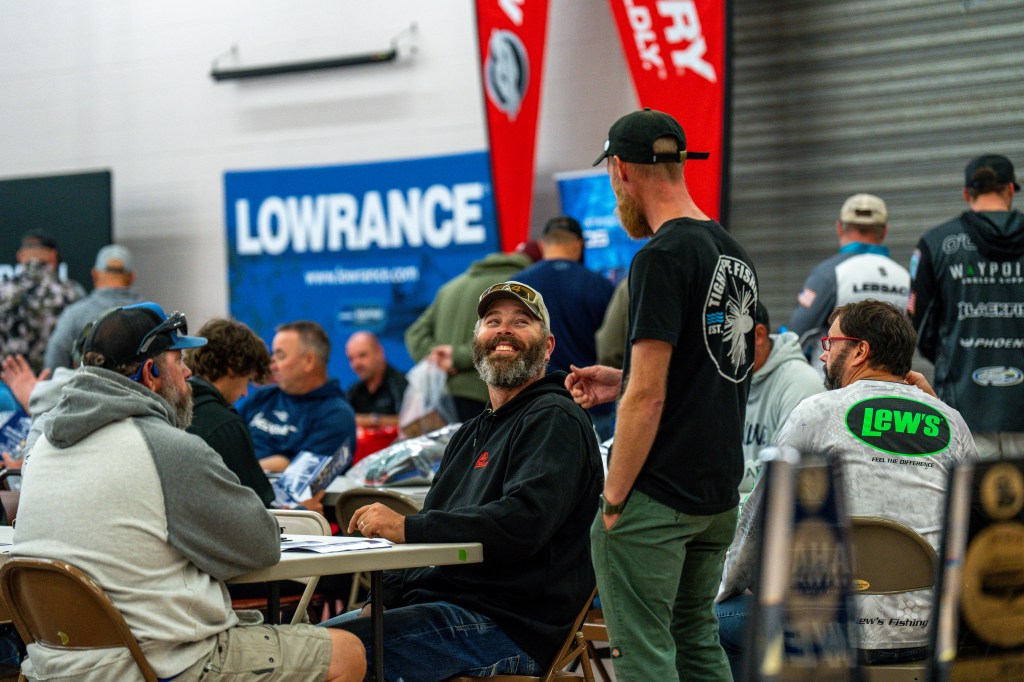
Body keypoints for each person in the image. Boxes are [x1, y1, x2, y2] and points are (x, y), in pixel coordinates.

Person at [12, 301, 365, 682]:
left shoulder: (42, 448)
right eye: (178, 361)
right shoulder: (164, 447)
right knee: (348, 652)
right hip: (155, 665)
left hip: (52, 665)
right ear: (152, 373)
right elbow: (262, 544)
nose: (189, 372)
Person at [323, 281, 602, 681]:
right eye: (493, 321)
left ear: (548, 346)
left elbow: (524, 522)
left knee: (321, 658)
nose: (504, 330)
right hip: (441, 608)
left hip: (507, 625)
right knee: (304, 646)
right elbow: (433, 519)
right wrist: (381, 601)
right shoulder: (469, 433)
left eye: (521, 322)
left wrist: (408, 527)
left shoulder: (555, 418)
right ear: (476, 342)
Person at [566, 108, 758, 681]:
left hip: (659, 496)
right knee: (696, 640)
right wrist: (620, 380)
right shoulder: (732, 251)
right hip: (717, 495)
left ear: (621, 170)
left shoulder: (660, 256)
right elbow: (719, 366)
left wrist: (614, 501)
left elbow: (649, 397)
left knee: (644, 654)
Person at [717, 300, 978, 677]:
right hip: (931, 635)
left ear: (859, 351)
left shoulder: (814, 413)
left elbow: (755, 527)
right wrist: (935, 407)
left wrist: (728, 588)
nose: (824, 356)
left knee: (714, 619)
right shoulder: (952, 422)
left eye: (830, 343)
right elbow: (972, 529)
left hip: (826, 638)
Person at [908, 153, 1024, 459]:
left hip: (964, 408)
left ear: (966, 193)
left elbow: (918, 327)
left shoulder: (936, 243)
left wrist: (952, 361)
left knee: (967, 491)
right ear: (1010, 189)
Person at [514, 216, 616, 439]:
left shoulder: (519, 286)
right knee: (595, 459)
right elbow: (613, 346)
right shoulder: (600, 285)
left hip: (533, 401)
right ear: (580, 244)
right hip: (590, 398)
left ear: (543, 244)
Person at [405, 251, 531, 422]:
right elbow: (517, 338)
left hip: (444, 397)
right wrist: (456, 357)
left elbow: (415, 334)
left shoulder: (449, 288)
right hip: (486, 395)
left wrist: (439, 358)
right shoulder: (523, 287)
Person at [787, 194, 911, 362]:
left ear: (839, 228)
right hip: (891, 376)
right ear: (884, 230)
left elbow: (796, 335)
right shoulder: (904, 277)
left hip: (834, 377)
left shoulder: (828, 274)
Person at [240, 320, 356, 474]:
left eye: (281, 356)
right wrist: (279, 463)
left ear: (308, 361)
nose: (273, 366)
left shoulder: (336, 415)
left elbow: (302, 477)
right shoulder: (262, 397)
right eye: (273, 356)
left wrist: (241, 468)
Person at [185, 318, 275, 507]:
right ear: (233, 367)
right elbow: (258, 508)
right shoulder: (224, 425)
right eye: (248, 379)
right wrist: (303, 511)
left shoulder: (167, 407)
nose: (245, 393)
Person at [741, 301, 822, 493]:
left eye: (724, 338)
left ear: (758, 336)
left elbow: (785, 471)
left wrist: (708, 476)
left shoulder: (801, 383)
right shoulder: (725, 378)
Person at [44, 243, 142, 370]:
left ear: (95, 274)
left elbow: (55, 361)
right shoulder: (150, 315)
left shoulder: (74, 315)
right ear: (132, 277)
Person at [0, 230, 84, 373]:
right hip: (56, 381)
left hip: (9, 381)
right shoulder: (72, 292)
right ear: (53, 256)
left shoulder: (2, 291)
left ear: (20, 256)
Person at [344, 330, 408, 420]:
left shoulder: (402, 384)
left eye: (362, 355)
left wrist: (372, 420)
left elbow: (407, 422)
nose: (356, 364)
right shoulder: (354, 391)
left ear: (379, 352)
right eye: (351, 359)